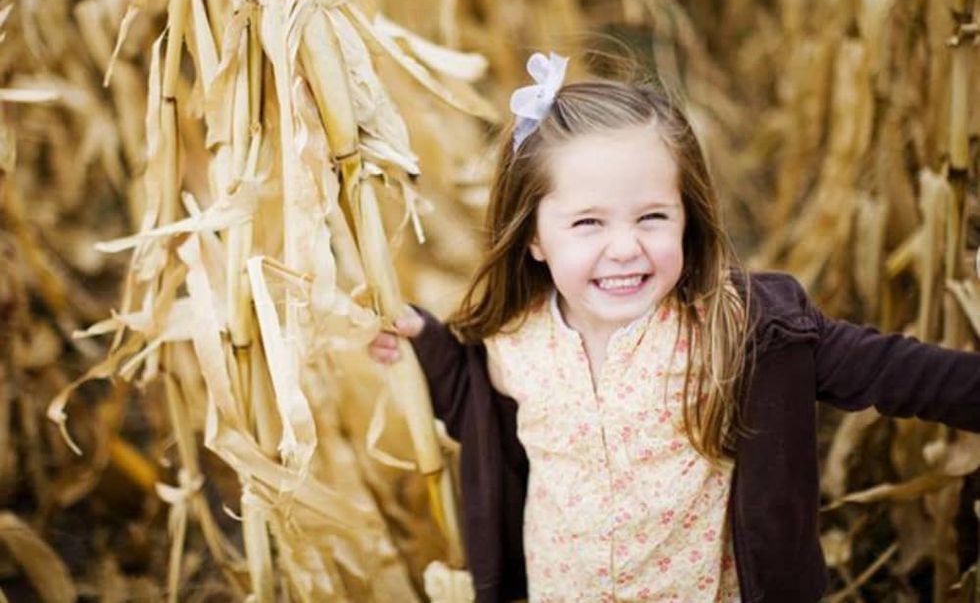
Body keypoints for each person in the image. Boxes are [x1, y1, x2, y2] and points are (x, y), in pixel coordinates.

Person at [369, 52, 980, 602]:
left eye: (652, 217)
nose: (625, 248)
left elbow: (894, 371)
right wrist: (425, 345)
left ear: (688, 218)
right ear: (533, 236)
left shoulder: (737, 328)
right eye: (588, 224)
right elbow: (476, 417)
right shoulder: (515, 341)